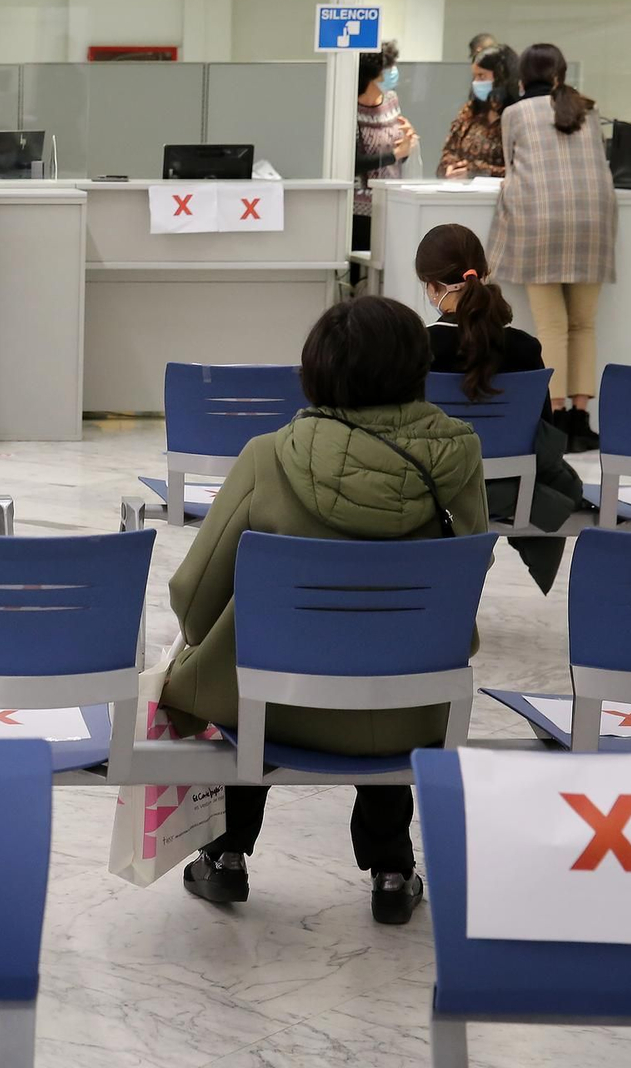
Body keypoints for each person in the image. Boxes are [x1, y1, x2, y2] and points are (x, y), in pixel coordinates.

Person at [161, 295, 487, 925]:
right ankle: (393, 868)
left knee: (243, 648)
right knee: (389, 653)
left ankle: (226, 853)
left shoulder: (267, 455)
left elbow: (194, 598)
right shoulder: (461, 456)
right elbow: (465, 581)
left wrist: (208, 636)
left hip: (279, 710)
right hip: (412, 707)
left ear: (316, 369)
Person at [417, 222, 589, 591]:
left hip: (435, 491)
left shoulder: (419, 346)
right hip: (512, 490)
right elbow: (543, 431)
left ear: (432, 287)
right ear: (483, 273)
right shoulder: (526, 347)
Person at [488, 42, 616, 451]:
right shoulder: (588, 110)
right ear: (560, 75)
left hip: (541, 222)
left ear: (521, 78)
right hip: (594, 222)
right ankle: (582, 420)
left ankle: (556, 418)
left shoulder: (514, 113)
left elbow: (509, 165)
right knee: (584, 324)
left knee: (552, 326)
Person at [352, 41, 414, 263]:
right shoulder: (350, 107)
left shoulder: (391, 100)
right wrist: (394, 156)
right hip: (360, 210)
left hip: (393, 202)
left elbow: (400, 148)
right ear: (372, 75)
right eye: (389, 68)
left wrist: (406, 145)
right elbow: (352, 163)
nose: (394, 73)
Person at [438, 44, 520, 179]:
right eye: (474, 77)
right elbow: (449, 151)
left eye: (482, 77)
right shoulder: (470, 112)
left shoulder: (518, 116)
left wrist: (477, 172)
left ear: (502, 78)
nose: (476, 82)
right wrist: (451, 167)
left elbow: (522, 170)